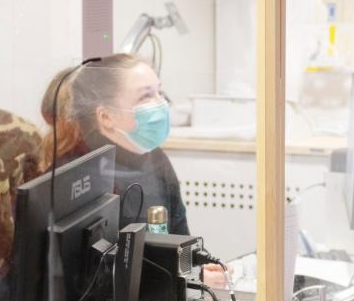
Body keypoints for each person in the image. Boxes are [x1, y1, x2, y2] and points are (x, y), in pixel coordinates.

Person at [41, 54, 227, 287]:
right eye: (146, 96)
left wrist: (198, 267)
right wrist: (189, 278)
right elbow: (99, 278)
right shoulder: (78, 178)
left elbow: (179, 239)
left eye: (159, 92)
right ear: (107, 116)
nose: (161, 103)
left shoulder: (156, 159)